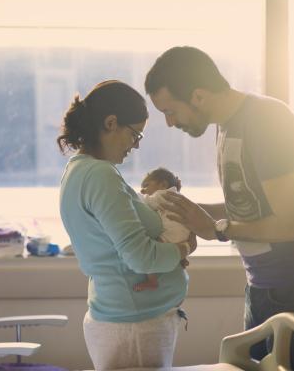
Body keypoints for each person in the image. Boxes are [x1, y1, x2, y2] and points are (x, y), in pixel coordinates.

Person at [144, 46, 294, 367]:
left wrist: (215, 229)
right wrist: (193, 211)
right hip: (265, 283)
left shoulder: (266, 121)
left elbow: (292, 224)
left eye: (170, 110)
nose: (169, 123)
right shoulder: (227, 126)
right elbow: (252, 202)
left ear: (198, 96)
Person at [57, 80, 197, 370]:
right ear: (111, 123)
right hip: (134, 326)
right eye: (135, 135)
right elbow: (140, 257)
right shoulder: (99, 176)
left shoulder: (80, 169)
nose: (135, 146)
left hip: (130, 319)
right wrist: (182, 249)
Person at [134, 167, 191, 292]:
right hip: (184, 235)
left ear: (163, 184)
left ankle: (152, 280)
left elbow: (145, 202)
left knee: (150, 253)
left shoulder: (162, 195)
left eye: (146, 185)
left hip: (171, 234)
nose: (142, 190)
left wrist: (133, 195)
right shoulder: (177, 196)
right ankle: (180, 259)